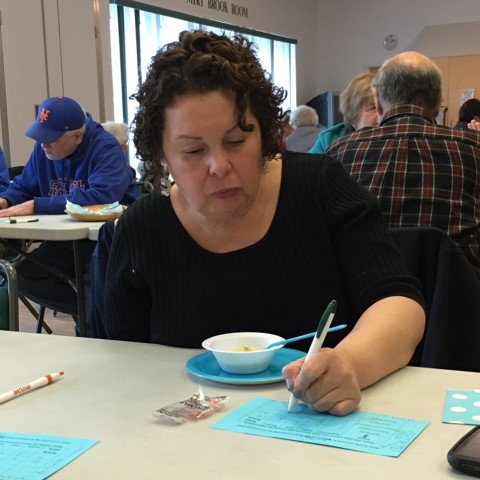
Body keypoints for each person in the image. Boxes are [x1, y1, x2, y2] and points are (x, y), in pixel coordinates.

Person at [102, 30, 425, 417]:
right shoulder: (144, 228)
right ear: (161, 156)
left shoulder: (318, 188)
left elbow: (399, 305)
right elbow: (120, 358)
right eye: (192, 150)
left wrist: (352, 363)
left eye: (237, 141)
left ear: (267, 133)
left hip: (318, 428)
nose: (219, 166)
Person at [325, 51, 480, 270]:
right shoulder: (474, 148)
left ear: (377, 102)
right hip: (455, 296)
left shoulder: (338, 152)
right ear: (438, 105)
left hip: (367, 294)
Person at [0, 96, 140, 314]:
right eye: (40, 136)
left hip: (107, 241)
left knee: (96, 278)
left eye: (51, 138)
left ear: (77, 136)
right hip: (66, 240)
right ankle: (92, 313)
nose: (44, 143)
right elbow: (25, 185)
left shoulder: (105, 148)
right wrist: (6, 200)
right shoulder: (43, 149)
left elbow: (102, 196)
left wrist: (38, 206)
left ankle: (100, 315)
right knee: (25, 275)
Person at [309, 72, 377, 154]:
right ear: (353, 115)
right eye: (373, 108)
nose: (382, 114)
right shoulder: (329, 139)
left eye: (386, 108)